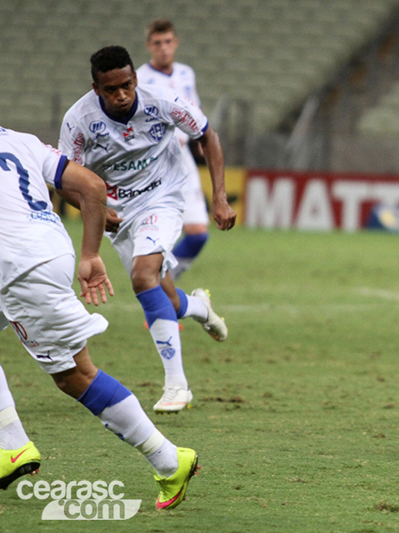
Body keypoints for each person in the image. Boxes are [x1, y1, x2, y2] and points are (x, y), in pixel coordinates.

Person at [0, 126, 197, 508]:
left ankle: (169, 460)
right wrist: (89, 253)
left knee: (75, 374)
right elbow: (92, 185)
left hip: (19, 266)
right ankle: (10, 444)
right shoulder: (19, 140)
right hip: (49, 250)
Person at [59, 45, 237, 413]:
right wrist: (92, 207)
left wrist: (218, 196)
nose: (121, 95)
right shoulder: (78, 120)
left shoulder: (163, 101)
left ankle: (177, 386)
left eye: (126, 85)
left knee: (143, 277)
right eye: (111, 89)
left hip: (164, 197)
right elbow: (65, 180)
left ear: (135, 79)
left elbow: (208, 135)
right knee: (167, 300)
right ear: (96, 88)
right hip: (119, 213)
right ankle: (199, 307)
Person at [137, 19, 209, 281]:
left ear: (175, 43)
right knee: (157, 236)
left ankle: (164, 282)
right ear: (149, 46)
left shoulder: (186, 74)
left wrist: (202, 139)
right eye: (157, 43)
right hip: (155, 162)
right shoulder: (140, 79)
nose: (163, 48)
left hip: (184, 158)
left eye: (168, 42)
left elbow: (195, 110)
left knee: (198, 233)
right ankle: (158, 298)